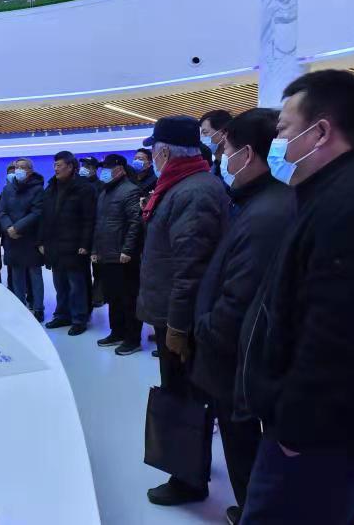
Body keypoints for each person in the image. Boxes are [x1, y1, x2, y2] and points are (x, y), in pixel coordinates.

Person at [234, 70, 354, 525]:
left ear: (321, 132)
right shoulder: (337, 190)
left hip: (323, 441)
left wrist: (295, 430)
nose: (278, 142)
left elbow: (340, 339)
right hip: (324, 432)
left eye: (283, 130)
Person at [190, 108, 295, 525]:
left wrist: (205, 328)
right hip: (239, 356)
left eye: (226, 150)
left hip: (236, 360)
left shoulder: (267, 212)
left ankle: (254, 512)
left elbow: (241, 297)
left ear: (247, 154)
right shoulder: (261, 201)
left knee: (244, 445)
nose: (221, 158)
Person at [137, 115, 228, 505]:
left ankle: (187, 480)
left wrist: (176, 326)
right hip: (174, 313)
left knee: (183, 396)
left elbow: (190, 268)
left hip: (182, 320)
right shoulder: (183, 185)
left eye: (153, 150)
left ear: (163, 151)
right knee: (185, 392)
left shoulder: (193, 192)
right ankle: (192, 462)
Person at [91, 154, 144, 355]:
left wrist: (128, 250)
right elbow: (98, 224)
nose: (104, 172)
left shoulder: (130, 190)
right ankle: (117, 332)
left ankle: (132, 339)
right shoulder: (104, 192)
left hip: (123, 255)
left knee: (128, 298)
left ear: (120, 169)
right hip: (106, 254)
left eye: (108, 168)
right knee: (113, 297)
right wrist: (95, 249)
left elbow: (135, 223)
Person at [39, 151, 96, 336]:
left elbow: (89, 219)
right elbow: (44, 216)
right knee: (60, 283)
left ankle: (79, 318)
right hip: (55, 244)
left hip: (75, 244)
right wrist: (42, 240)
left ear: (71, 167)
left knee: (76, 284)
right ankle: (62, 315)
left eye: (59, 165)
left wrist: (85, 243)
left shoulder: (84, 188)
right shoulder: (51, 187)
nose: (55, 169)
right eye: (54, 165)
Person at [0, 158, 45, 322]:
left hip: (30, 237)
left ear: (30, 170)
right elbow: (1, 211)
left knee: (35, 274)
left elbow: (37, 212)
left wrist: (17, 228)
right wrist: (9, 228)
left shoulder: (38, 189)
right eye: (16, 167)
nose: (18, 169)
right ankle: (20, 307)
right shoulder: (7, 189)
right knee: (16, 274)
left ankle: (38, 308)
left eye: (22, 167)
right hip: (12, 238)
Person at [80, 156, 105, 309]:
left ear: (95, 169)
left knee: (98, 267)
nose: (84, 169)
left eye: (88, 166)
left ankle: (98, 296)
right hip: (82, 231)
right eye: (83, 165)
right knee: (82, 268)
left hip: (97, 229)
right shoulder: (77, 184)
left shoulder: (101, 186)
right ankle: (86, 296)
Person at [200, 109, 233, 176]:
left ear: (223, 133)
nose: (202, 137)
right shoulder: (212, 166)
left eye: (205, 132)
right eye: (201, 133)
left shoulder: (236, 167)